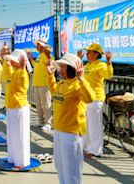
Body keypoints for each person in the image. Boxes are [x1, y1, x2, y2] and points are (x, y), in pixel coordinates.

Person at [47, 53, 96, 184]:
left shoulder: (78, 85)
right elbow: (54, 92)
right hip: (58, 130)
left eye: (63, 67)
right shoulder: (62, 83)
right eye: (60, 67)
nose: (60, 70)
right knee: (60, 166)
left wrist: (82, 79)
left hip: (72, 133)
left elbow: (90, 98)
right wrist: (50, 76)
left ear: (71, 68)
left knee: (72, 169)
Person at [78, 43, 113, 157]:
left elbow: (108, 75)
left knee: (95, 125)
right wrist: (79, 59)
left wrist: (108, 62)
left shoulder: (100, 65)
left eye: (89, 52)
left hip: (96, 98)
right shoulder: (87, 65)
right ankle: (87, 147)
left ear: (96, 54)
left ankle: (97, 151)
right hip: (86, 98)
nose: (87, 54)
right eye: (87, 52)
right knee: (86, 124)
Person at [3, 49, 32, 169]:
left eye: (13, 60)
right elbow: (5, 75)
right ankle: (13, 158)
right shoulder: (13, 72)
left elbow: (24, 85)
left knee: (21, 136)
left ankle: (22, 162)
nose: (11, 61)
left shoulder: (22, 73)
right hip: (10, 107)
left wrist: (23, 67)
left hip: (19, 107)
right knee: (12, 135)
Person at [27, 38, 54, 131]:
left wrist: (48, 54)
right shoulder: (39, 56)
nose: (37, 46)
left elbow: (51, 65)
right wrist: (31, 59)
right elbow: (36, 65)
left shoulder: (47, 55)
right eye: (37, 45)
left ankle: (49, 123)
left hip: (45, 84)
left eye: (38, 45)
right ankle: (41, 121)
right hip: (37, 83)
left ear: (43, 46)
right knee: (38, 104)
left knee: (46, 104)